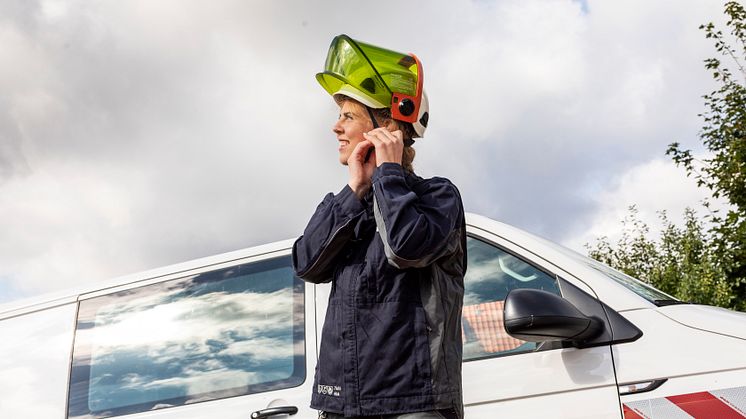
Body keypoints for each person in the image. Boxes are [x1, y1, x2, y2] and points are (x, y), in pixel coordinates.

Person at [292, 34, 467, 419]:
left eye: (348, 116)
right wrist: (355, 188)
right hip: (342, 406)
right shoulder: (349, 204)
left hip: (413, 405)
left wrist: (388, 172)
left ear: (386, 126)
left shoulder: (437, 197)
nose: (335, 128)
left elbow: (406, 247)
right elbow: (306, 263)